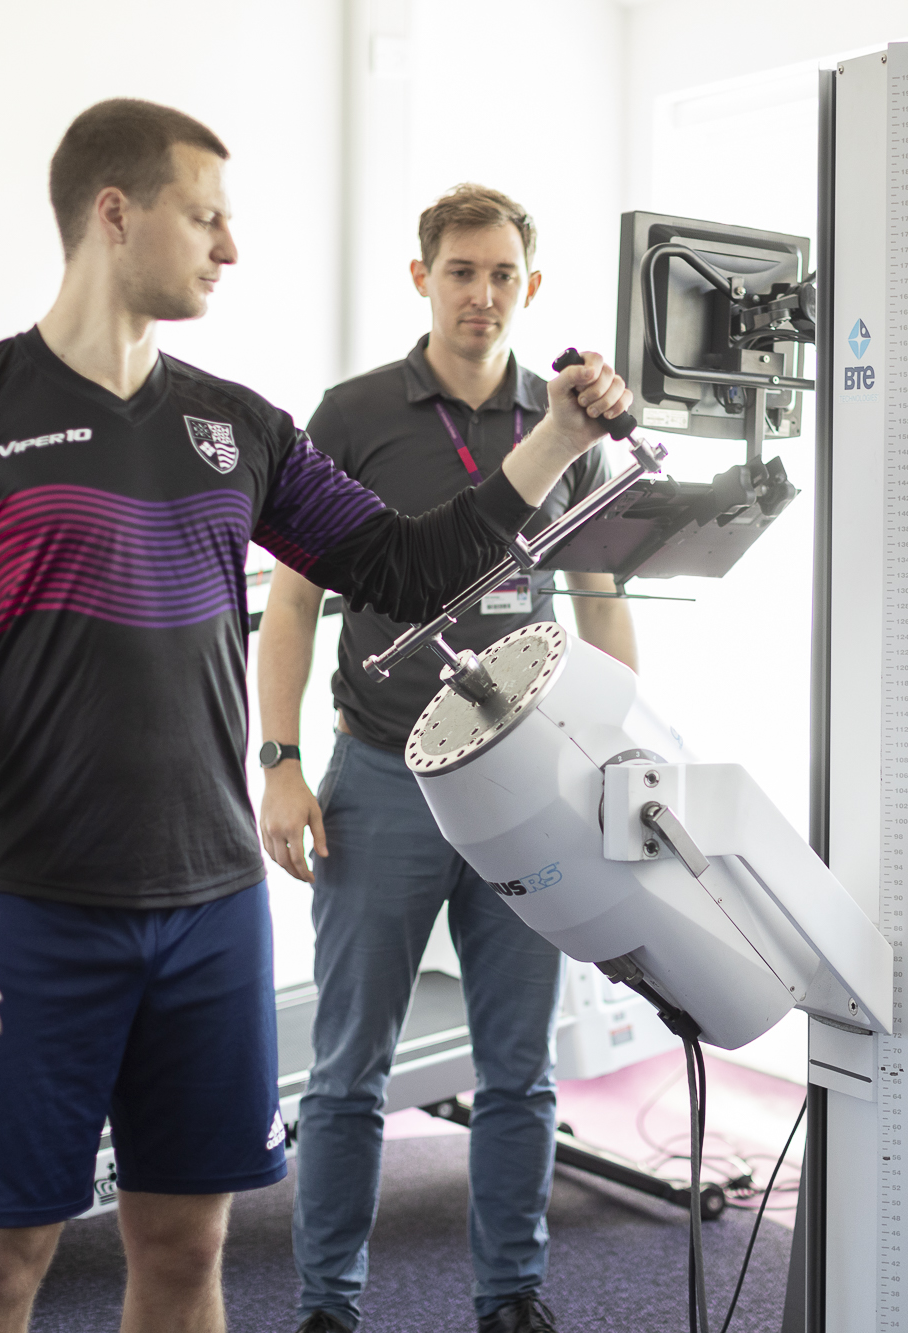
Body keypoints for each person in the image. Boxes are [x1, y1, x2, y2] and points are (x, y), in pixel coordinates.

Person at [0, 105, 630, 1333]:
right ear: (116, 212)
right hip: (29, 906)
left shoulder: (240, 427)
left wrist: (554, 444)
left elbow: (407, 572)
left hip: (207, 909)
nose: (230, 246)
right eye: (206, 215)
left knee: (186, 1252)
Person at [257, 184, 636, 1333]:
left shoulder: (567, 415)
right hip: (381, 776)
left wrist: (615, 758)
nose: (481, 293)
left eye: (503, 274)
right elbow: (290, 601)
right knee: (345, 1073)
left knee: (519, 1069)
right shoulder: (354, 412)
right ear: (419, 278)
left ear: (531, 286)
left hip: (529, 787)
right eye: (460, 271)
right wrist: (278, 762)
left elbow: (600, 598)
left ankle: (508, 1298)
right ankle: (329, 1304)